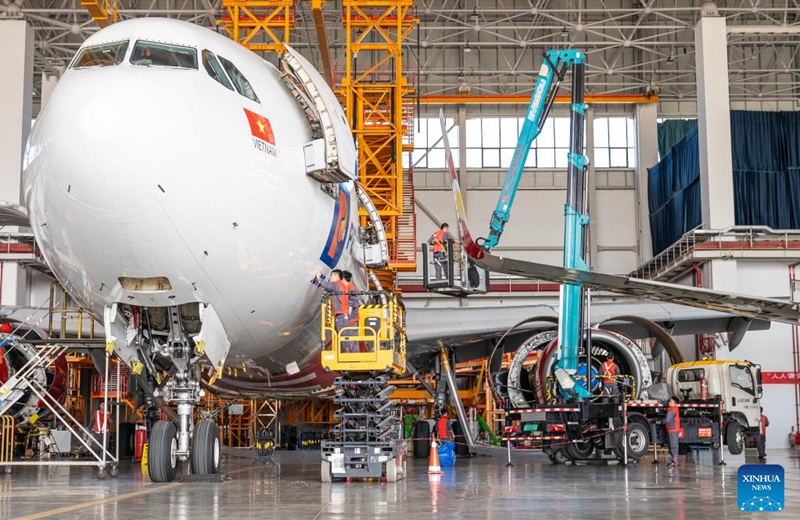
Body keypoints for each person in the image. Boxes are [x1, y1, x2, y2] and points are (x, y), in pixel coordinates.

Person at [314, 269, 355, 352]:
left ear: (336, 276)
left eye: (331, 275)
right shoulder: (340, 285)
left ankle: (346, 353)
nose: (330, 277)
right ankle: (346, 352)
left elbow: (327, 285)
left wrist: (319, 278)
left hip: (341, 315)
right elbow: (329, 288)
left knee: (342, 335)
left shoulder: (336, 284)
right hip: (343, 314)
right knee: (343, 335)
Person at [664, 396, 682, 466]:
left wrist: (659, 421)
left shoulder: (672, 410)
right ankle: (674, 460)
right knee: (673, 445)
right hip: (673, 429)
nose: (669, 402)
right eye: (669, 401)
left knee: (673, 446)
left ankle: (675, 461)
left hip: (672, 429)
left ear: (675, 404)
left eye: (671, 402)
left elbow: (667, 420)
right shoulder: (673, 409)